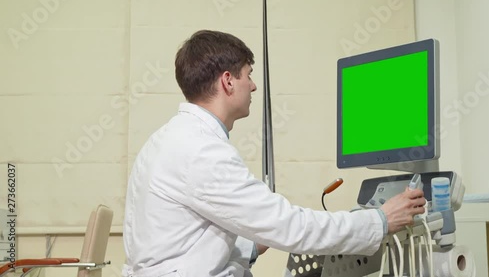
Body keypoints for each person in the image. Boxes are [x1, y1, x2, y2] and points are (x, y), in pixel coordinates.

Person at [122, 30, 426, 277]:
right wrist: (381, 220)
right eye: (248, 74)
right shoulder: (201, 151)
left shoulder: (166, 139)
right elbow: (291, 227)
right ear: (228, 81)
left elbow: (182, 243)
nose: (253, 86)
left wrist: (253, 244)